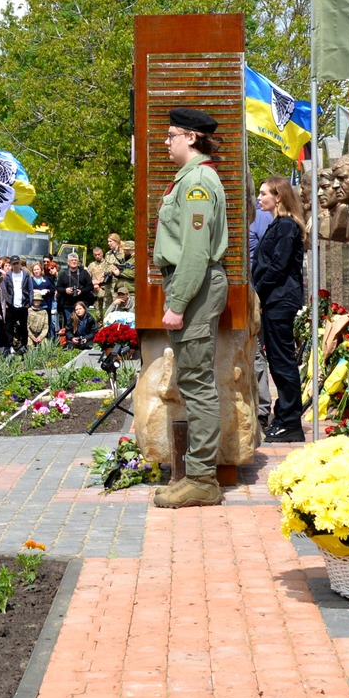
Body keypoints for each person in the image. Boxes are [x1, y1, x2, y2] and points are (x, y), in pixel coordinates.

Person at [152, 106, 230, 509]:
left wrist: (179, 303)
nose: (166, 142)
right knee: (193, 382)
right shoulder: (190, 179)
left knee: (197, 385)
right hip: (193, 284)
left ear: (191, 138)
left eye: (171, 135)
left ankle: (201, 479)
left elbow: (196, 252)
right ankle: (197, 475)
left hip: (195, 286)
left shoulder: (197, 182)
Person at [252, 177, 308, 441]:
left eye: (264, 193)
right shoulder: (278, 224)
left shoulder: (286, 225)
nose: (259, 198)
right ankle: (284, 416)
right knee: (277, 361)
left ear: (279, 197)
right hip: (275, 299)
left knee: (283, 362)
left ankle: (290, 422)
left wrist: (258, 290)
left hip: (281, 299)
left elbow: (278, 266)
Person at [0, 258, 33, 353]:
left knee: (23, 327)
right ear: (11, 265)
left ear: (20, 264)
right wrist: (5, 303)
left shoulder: (26, 275)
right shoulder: (7, 276)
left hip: (23, 305)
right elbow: (4, 291)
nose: (16, 265)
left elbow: (30, 289)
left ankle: (24, 346)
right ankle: (9, 347)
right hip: (11, 305)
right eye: (13, 264)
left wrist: (29, 303)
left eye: (17, 263)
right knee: (9, 327)